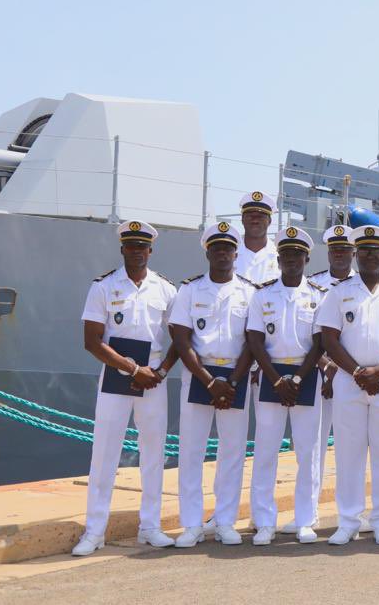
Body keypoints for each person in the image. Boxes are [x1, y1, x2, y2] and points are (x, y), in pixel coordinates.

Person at [72, 221, 179, 556]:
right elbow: (91, 341)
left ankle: (150, 527)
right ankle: (94, 531)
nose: (136, 252)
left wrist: (160, 371)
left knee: (153, 453)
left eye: (142, 246)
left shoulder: (165, 289)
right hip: (117, 376)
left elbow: (181, 336)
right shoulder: (103, 287)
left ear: (151, 250)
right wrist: (134, 368)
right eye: (131, 246)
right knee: (104, 454)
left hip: (154, 379)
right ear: (122, 250)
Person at [315, 224, 379, 546]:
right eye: (365, 251)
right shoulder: (339, 292)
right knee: (349, 453)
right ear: (356, 254)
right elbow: (327, 338)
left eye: (377, 251)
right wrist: (359, 371)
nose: (371, 256)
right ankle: (348, 521)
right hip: (349, 382)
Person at [169, 221, 257, 547]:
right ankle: (191, 524)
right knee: (191, 452)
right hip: (198, 377)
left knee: (232, 453)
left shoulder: (250, 293)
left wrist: (230, 381)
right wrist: (209, 381)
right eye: (216, 248)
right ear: (208, 252)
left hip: (235, 379)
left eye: (228, 248)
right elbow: (180, 338)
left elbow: (253, 342)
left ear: (236, 253)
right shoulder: (190, 291)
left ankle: (224, 521)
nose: (222, 253)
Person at [246, 227, 326, 545]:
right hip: (271, 377)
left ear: (307, 258)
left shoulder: (319, 295)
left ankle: (305, 519)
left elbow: (320, 343)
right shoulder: (262, 295)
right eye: (286, 255)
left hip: (306, 376)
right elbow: (254, 340)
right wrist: (278, 379)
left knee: (308, 451)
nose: (292, 260)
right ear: (278, 260)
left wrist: (297, 378)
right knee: (265, 451)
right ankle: (265, 521)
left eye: (297, 255)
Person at [287, 224, 355, 535]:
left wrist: (341, 369)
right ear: (328, 252)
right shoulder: (312, 287)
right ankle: (309, 514)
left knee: (352, 446)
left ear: (354, 252)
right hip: (318, 376)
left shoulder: (365, 285)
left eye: (345, 249)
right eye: (335, 249)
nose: (340, 254)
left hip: (354, 378)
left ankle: (350, 515)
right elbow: (315, 335)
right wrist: (327, 366)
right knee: (313, 447)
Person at [235, 191, 280, 284]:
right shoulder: (230, 253)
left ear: (270, 221)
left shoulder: (280, 255)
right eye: (250, 216)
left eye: (261, 216)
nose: (255, 220)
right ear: (242, 220)